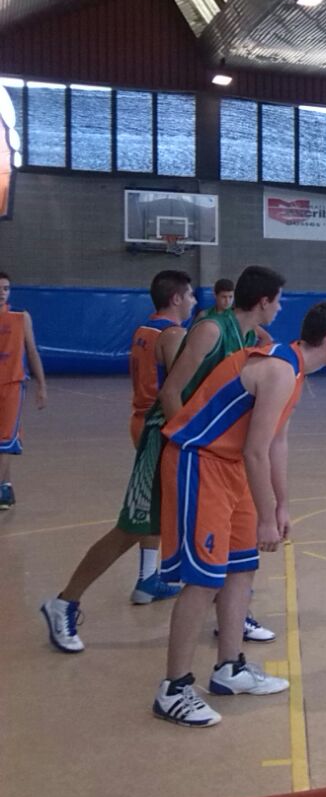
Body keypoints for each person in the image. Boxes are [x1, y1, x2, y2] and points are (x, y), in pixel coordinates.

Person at [39, 266, 285, 653]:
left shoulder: (248, 335)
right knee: (133, 528)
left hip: (205, 447)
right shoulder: (211, 330)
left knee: (221, 527)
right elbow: (171, 392)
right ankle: (63, 602)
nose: (280, 308)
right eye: (279, 301)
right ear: (264, 301)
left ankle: (232, 614)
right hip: (170, 437)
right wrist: (188, 439)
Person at [152, 301, 326, 726]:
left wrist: (282, 504)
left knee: (240, 567)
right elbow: (254, 450)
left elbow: (274, 444)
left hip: (231, 467)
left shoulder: (294, 371)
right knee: (202, 580)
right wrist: (267, 515)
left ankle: (230, 668)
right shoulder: (279, 369)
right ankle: (173, 688)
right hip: (200, 461)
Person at [39, 272, 194, 653]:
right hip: (159, 431)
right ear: (176, 298)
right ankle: (64, 602)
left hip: (146, 424)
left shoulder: (144, 330)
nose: (193, 300)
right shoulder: (173, 336)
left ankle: (151, 581)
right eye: (190, 294)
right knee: (131, 526)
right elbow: (180, 390)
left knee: (160, 518)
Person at [0, 271, 48, 510]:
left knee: (4, 440)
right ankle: (5, 486)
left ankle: (1, 488)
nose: (2, 292)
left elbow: (32, 351)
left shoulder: (20, 317)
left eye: (6, 288)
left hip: (12, 385)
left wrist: (42, 385)